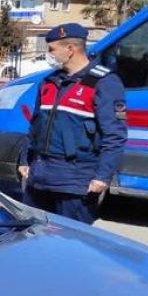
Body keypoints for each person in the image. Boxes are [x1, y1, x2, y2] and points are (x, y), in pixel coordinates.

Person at [18, 23, 127, 224]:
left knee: (71, 245)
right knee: (32, 240)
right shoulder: (49, 82)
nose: (48, 55)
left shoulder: (104, 83)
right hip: (39, 179)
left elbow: (115, 135)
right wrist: (25, 160)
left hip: (75, 182)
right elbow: (35, 125)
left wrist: (102, 177)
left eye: (52, 49)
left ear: (70, 49)